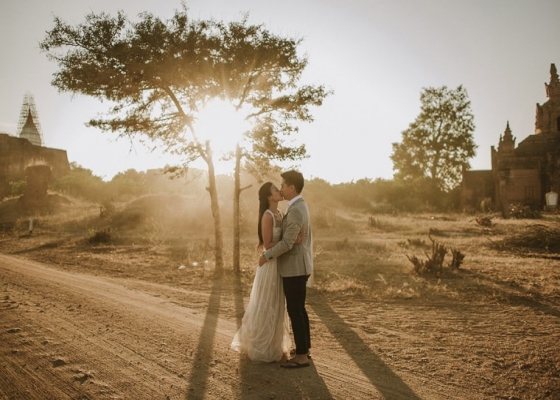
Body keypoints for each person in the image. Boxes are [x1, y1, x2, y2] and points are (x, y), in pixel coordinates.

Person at [230, 182, 292, 362]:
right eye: (275, 190)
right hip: (269, 264)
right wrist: (289, 243)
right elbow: (267, 245)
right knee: (265, 302)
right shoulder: (267, 215)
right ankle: (260, 346)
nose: (279, 191)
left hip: (279, 263)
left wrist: (290, 241)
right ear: (269, 197)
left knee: (277, 303)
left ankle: (274, 344)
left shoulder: (280, 213)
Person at [259, 170, 313, 369]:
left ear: (292, 187)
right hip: (300, 265)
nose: (281, 188)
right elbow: (289, 240)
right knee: (299, 309)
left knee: (295, 310)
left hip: (295, 267)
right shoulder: (298, 206)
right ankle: (304, 349)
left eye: (282, 185)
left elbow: (288, 243)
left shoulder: (297, 209)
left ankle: (301, 356)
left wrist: (266, 256)